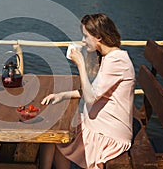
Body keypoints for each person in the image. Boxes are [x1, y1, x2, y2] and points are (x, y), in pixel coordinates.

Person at [40, 13, 135, 169]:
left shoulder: (116, 61)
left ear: (98, 37)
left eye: (85, 36)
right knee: (55, 132)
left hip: (109, 135)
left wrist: (80, 65)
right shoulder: (109, 57)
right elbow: (93, 90)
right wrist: (62, 95)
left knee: (54, 134)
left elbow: (91, 98)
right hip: (100, 125)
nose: (83, 41)